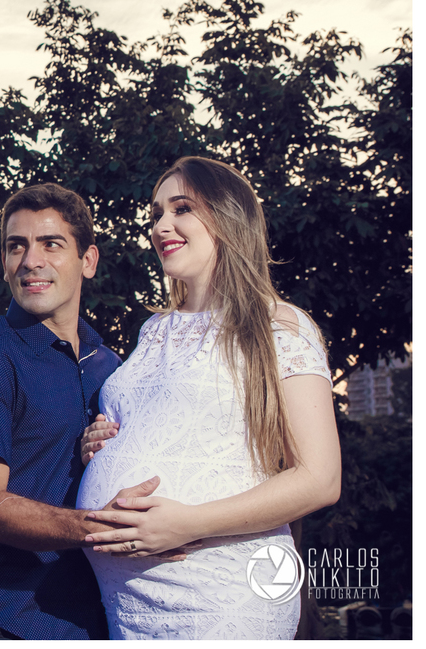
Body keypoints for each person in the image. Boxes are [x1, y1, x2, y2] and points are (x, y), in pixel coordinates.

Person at [75, 156, 341, 639]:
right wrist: (99, 444)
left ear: (226, 217)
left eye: (181, 209)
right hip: (129, 612)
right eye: (155, 213)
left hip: (220, 598)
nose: (161, 226)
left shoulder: (278, 323)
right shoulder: (153, 329)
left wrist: (189, 523)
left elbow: (320, 479)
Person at [0, 182, 175, 640]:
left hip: (95, 620)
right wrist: (110, 529)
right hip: (1, 620)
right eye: (15, 246)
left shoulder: (113, 366)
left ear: (88, 260)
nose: (30, 261)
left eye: (51, 244)